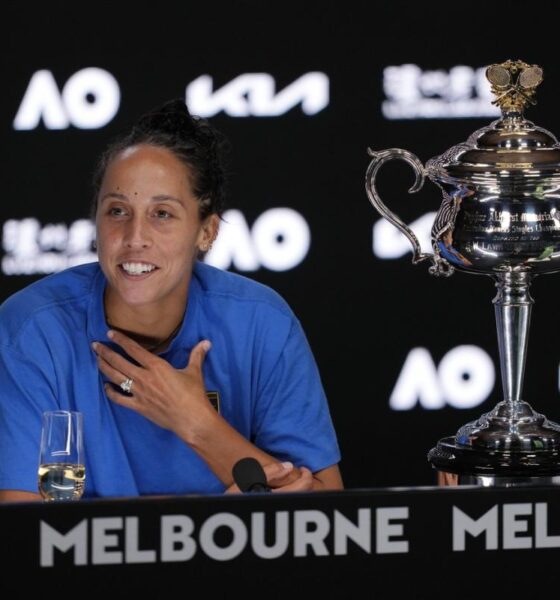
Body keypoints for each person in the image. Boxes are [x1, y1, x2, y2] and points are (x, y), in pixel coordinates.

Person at [0, 99, 343, 501]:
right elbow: (27, 534)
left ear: (207, 231)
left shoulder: (263, 324)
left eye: (162, 213)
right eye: (117, 211)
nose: (134, 238)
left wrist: (195, 422)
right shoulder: (32, 330)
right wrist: (215, 521)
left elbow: (323, 512)